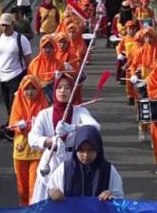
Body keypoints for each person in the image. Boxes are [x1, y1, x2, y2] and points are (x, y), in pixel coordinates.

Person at [28, 74, 100, 204]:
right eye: (59, 87)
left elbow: (95, 127)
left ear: (72, 91)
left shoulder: (80, 112)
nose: (63, 91)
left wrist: (71, 127)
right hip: (51, 162)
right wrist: (49, 141)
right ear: (54, 90)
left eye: (67, 88)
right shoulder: (45, 114)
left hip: (74, 163)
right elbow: (32, 138)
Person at [47, 125, 124, 201]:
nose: (86, 155)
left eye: (90, 150)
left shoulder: (108, 170)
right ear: (76, 149)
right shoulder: (65, 169)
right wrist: (52, 193)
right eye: (81, 150)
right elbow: (51, 189)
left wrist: (111, 196)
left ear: (98, 149)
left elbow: (119, 197)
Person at [9, 75, 50, 206]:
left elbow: (47, 124)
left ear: (38, 90)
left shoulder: (44, 102)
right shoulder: (17, 101)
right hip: (21, 150)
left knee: (34, 187)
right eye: (27, 89)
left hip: (38, 151)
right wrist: (19, 126)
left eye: (33, 88)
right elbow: (12, 124)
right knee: (22, 189)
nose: (30, 92)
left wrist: (34, 125)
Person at [0, 13, 32, 117]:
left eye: (7, 25)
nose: (4, 28)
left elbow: (28, 60)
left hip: (17, 76)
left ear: (13, 24)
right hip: (2, 78)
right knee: (7, 103)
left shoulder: (21, 39)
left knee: (13, 103)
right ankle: (12, 124)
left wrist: (29, 77)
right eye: (2, 25)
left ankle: (14, 126)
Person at [130, 28, 157, 141]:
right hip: (143, 83)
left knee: (156, 107)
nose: (148, 39)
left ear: (154, 38)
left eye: (150, 37)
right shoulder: (141, 51)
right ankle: (142, 129)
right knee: (143, 105)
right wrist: (133, 75)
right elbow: (133, 65)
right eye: (146, 37)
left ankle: (155, 132)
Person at [27, 35, 65, 102]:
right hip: (38, 97)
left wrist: (59, 77)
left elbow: (64, 82)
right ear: (41, 48)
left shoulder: (59, 64)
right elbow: (29, 82)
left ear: (54, 48)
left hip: (54, 97)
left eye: (50, 47)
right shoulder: (34, 63)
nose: (47, 50)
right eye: (45, 47)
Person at [115, 20, 138, 86]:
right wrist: (119, 54)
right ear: (127, 30)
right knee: (120, 62)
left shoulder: (138, 38)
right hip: (127, 57)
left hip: (136, 58)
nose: (131, 30)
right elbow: (119, 47)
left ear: (136, 29)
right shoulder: (125, 39)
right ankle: (120, 78)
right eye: (130, 29)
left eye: (133, 29)